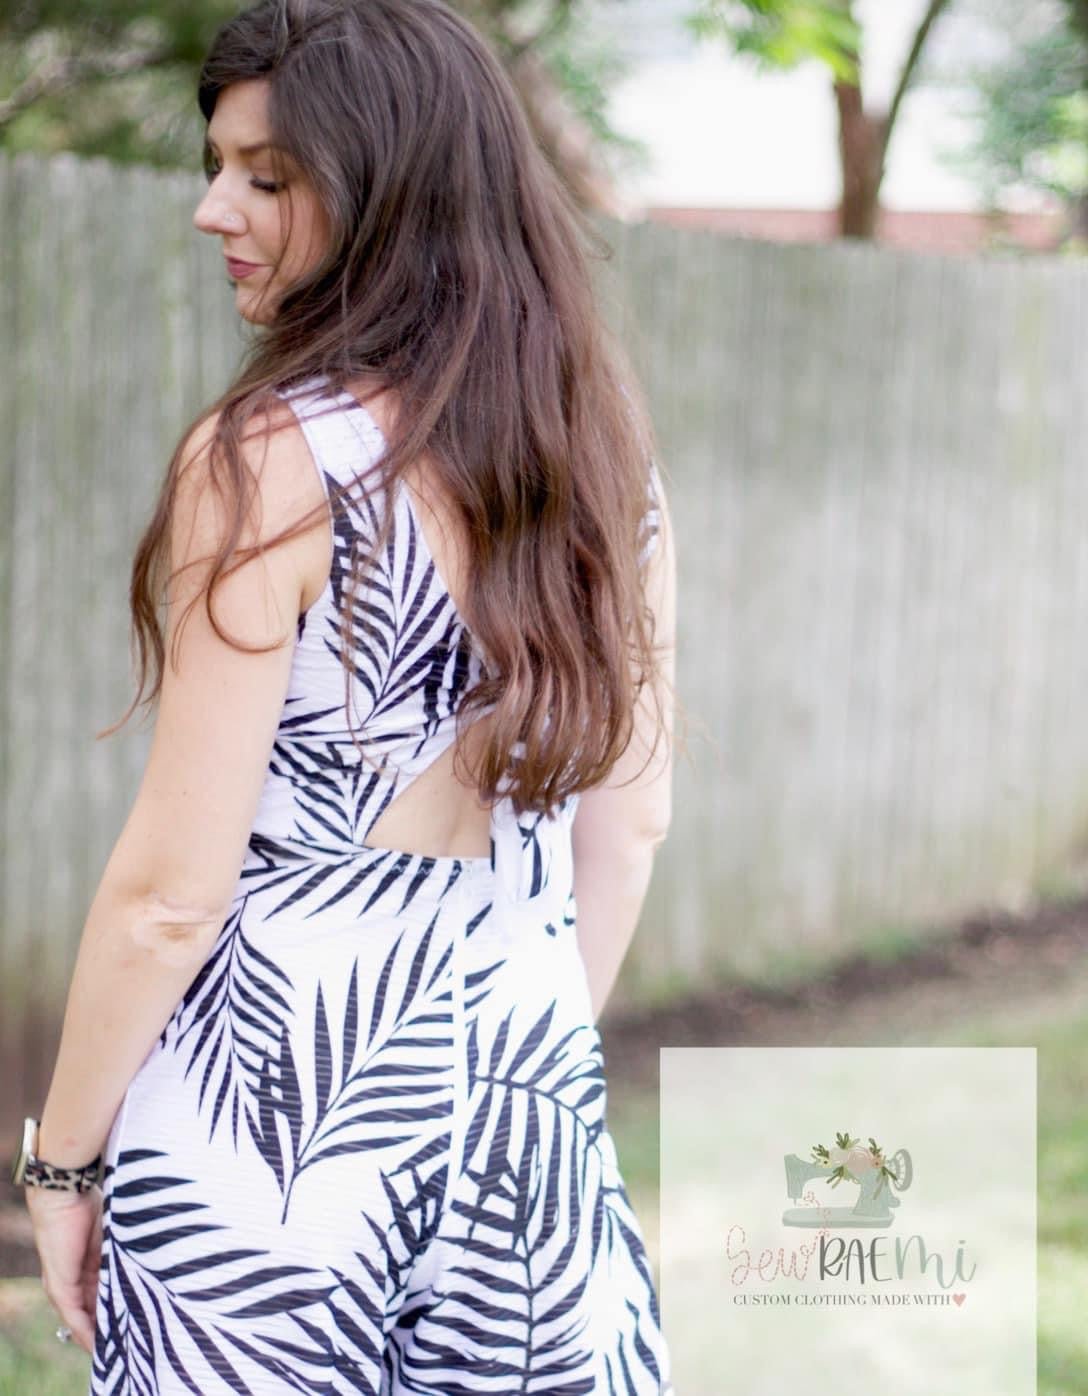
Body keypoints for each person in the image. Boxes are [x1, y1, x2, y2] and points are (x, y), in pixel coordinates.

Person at [17, 0, 677, 1390]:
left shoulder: (271, 456)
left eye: (266, 178)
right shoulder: (601, 450)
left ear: (389, 196)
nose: (212, 209)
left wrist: (63, 1163)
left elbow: (170, 897)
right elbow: (630, 829)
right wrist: (521, 1074)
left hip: (269, 1127)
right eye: (216, 166)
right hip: (532, 1124)